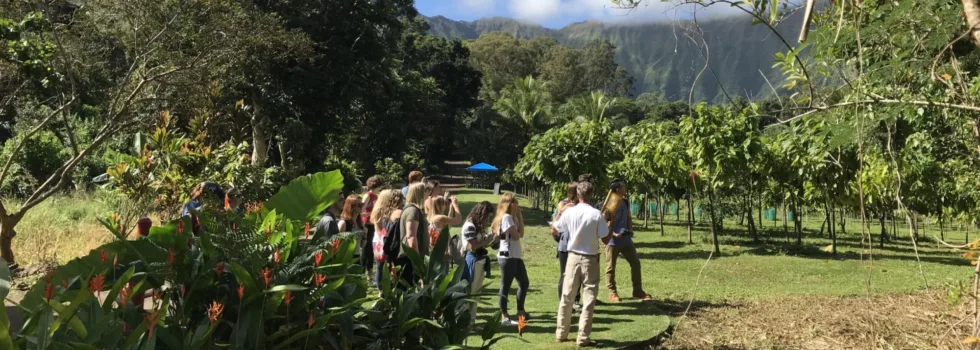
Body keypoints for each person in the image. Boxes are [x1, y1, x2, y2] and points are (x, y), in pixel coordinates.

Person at [551, 181, 610, 347]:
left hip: (572, 257)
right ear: (591, 195)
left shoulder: (570, 212)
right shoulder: (596, 214)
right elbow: (605, 238)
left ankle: (561, 333)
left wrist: (559, 213)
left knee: (567, 295)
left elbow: (555, 229)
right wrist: (609, 222)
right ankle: (583, 337)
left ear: (578, 195)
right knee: (589, 298)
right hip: (590, 258)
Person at [604, 179, 653, 302]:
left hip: (626, 240)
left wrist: (629, 230)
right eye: (623, 187)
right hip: (612, 241)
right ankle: (612, 293)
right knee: (610, 268)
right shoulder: (610, 203)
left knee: (635, 263)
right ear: (617, 189)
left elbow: (629, 218)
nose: (625, 188)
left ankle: (637, 290)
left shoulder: (625, 202)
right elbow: (604, 223)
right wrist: (613, 234)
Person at [492, 193, 530, 326]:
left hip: (515, 256)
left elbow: (521, 234)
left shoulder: (510, 218)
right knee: (505, 287)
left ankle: (520, 311)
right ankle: (504, 317)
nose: (517, 205)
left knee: (524, 283)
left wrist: (519, 216)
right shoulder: (507, 217)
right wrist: (516, 226)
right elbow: (516, 236)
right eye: (515, 202)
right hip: (508, 257)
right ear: (509, 204)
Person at [461, 201, 496, 323]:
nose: (487, 220)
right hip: (472, 260)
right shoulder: (470, 226)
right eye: (487, 216)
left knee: (476, 293)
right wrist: (486, 241)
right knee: (470, 292)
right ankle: (466, 320)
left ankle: (472, 321)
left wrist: (490, 239)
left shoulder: (476, 226)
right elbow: (473, 246)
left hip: (479, 260)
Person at [553, 182, 582, 310]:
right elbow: (555, 226)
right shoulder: (564, 204)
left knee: (577, 275)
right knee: (564, 274)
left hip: (577, 244)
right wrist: (562, 211)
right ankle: (562, 301)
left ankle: (575, 300)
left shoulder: (581, 204)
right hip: (565, 244)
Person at [397, 183, 429, 288]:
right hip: (409, 257)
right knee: (408, 287)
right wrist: (417, 258)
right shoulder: (412, 211)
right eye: (425, 190)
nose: (428, 193)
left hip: (412, 256)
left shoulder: (414, 209)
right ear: (419, 193)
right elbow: (411, 236)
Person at [370, 189, 404, 284]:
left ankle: (386, 284)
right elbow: (379, 230)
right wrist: (385, 238)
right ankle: (380, 287)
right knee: (380, 265)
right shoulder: (379, 211)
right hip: (379, 240)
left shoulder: (389, 210)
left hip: (383, 239)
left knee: (386, 265)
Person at [425, 196, 461, 264]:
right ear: (439, 206)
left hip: (436, 252)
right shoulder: (440, 218)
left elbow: (447, 226)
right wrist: (455, 205)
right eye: (443, 203)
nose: (445, 205)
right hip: (441, 254)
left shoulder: (433, 217)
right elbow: (458, 220)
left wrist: (451, 209)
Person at [360, 176, 382, 284]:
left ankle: (369, 274)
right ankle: (362, 272)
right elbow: (360, 211)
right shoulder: (368, 196)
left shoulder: (376, 196)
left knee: (371, 250)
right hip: (367, 224)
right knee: (366, 249)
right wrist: (372, 213)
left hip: (373, 224)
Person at [338, 194, 367, 267]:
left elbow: (362, 246)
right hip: (346, 259)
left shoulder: (360, 224)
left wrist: (365, 235)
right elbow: (337, 245)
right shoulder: (343, 223)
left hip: (357, 257)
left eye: (362, 204)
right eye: (359, 205)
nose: (362, 207)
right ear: (351, 206)